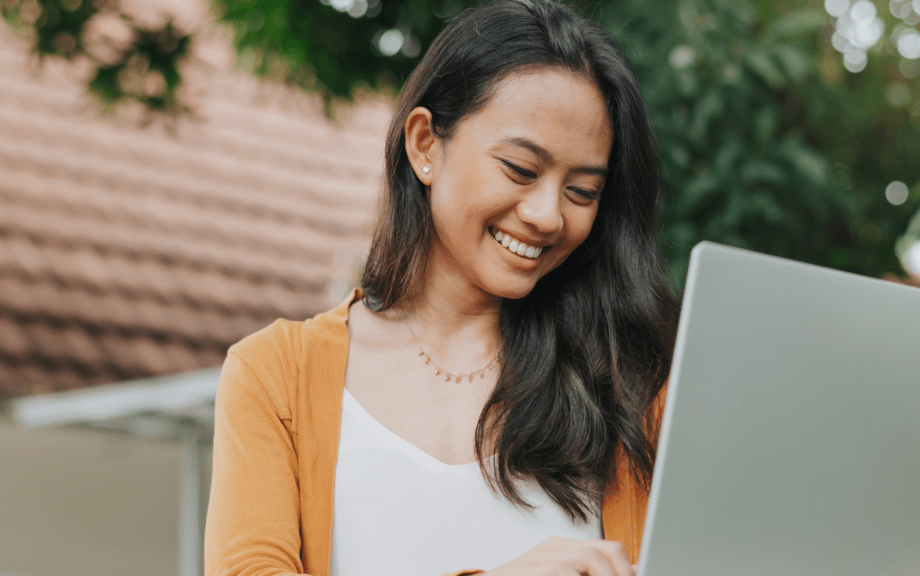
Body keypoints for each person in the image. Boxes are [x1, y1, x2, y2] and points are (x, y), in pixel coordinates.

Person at [204, 1, 677, 575]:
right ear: (426, 144)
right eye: (521, 170)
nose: (548, 214)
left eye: (582, 192)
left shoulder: (636, 390)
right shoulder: (275, 376)